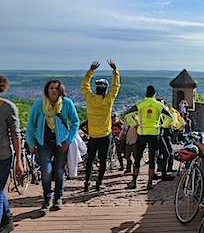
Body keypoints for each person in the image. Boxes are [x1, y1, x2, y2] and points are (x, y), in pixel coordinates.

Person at [26, 79, 79, 215]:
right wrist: (31, 144)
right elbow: (31, 125)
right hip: (43, 143)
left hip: (61, 143)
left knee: (59, 171)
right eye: (51, 88)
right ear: (47, 90)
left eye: (56, 88)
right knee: (47, 172)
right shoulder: (39, 105)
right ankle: (46, 198)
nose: (54, 90)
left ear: (61, 90)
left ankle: (58, 198)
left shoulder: (67, 104)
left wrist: (68, 140)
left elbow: (75, 122)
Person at [123, 86, 173, 190]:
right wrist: (163, 126)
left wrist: (134, 124)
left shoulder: (140, 104)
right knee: (152, 158)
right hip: (155, 133)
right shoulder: (159, 105)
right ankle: (149, 182)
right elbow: (170, 118)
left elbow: (127, 114)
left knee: (137, 158)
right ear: (154, 94)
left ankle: (134, 181)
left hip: (142, 133)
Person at [81, 60, 120, 192]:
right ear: (105, 90)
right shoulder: (108, 101)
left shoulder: (90, 100)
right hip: (105, 135)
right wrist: (115, 71)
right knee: (103, 160)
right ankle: (99, 182)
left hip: (93, 135)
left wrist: (90, 71)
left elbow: (84, 86)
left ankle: (87, 182)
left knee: (90, 160)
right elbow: (116, 87)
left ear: (96, 89)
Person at [0, 75, 23, 232]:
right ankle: (7, 220)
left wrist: (19, 161)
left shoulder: (8, 107)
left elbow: (16, 135)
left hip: (3, 156)